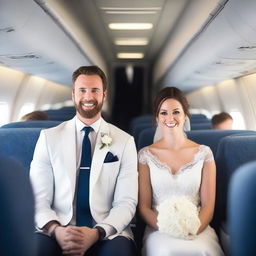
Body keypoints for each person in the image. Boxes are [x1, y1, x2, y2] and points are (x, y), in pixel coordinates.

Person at [30, 66, 138, 256]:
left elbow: (126, 202)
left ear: (104, 95)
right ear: (73, 95)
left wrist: (97, 232)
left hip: (106, 229)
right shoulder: (49, 138)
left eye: (95, 90)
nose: (88, 97)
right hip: (57, 226)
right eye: (82, 90)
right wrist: (56, 229)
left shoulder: (124, 141)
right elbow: (38, 198)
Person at [138, 87, 224, 256]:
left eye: (176, 112)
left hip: (198, 228)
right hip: (159, 229)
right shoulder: (145, 155)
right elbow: (144, 207)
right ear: (157, 118)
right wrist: (167, 227)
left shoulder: (204, 153)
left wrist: (193, 228)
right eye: (163, 113)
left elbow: (208, 207)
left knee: (202, 250)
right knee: (163, 251)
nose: (170, 118)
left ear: (185, 115)